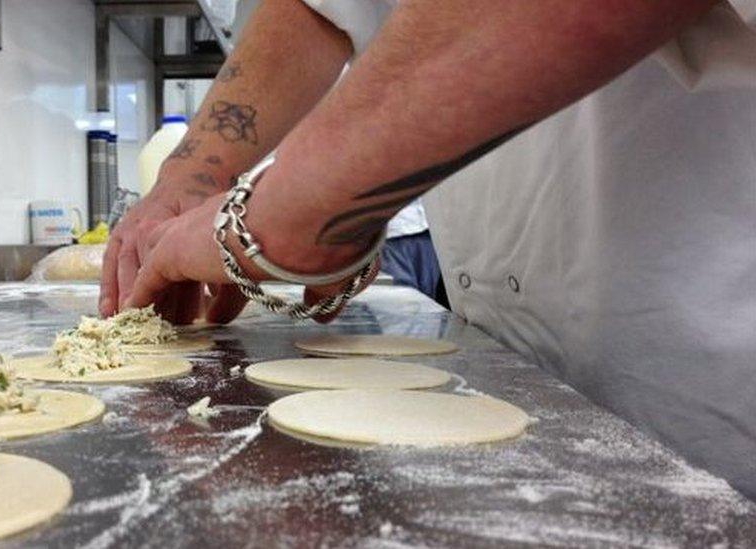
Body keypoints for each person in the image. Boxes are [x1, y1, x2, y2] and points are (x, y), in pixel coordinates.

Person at [99, 0, 756, 499]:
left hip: (699, 351)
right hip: (496, 364)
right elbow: (321, 6)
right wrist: (193, 177)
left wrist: (286, 213)